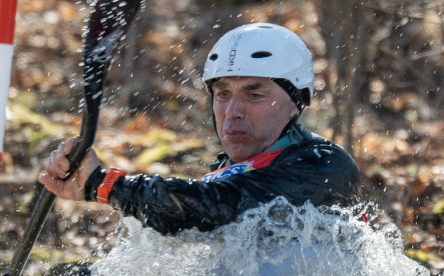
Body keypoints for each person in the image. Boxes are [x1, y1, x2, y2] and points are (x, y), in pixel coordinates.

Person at [39, 22, 360, 237]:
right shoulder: (226, 172)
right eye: (223, 94)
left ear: (296, 102)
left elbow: (221, 207)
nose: (232, 113)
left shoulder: (324, 165)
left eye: (254, 94)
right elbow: (190, 215)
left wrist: (104, 184)